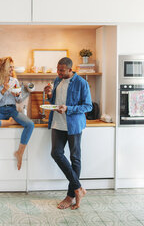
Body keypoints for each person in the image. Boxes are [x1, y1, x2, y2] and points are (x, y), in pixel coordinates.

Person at [44, 57, 92, 210]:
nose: (58, 72)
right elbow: (54, 103)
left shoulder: (81, 83)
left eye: (62, 70)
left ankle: (71, 195)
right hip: (58, 123)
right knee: (56, 153)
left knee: (75, 159)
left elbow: (88, 106)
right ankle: (79, 188)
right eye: (58, 69)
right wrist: (49, 95)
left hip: (73, 125)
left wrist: (68, 109)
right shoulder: (57, 81)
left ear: (70, 69)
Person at [0, 57, 34, 170]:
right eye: (10, 67)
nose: (12, 69)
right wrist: (3, 91)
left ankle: (20, 152)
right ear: (2, 68)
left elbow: (19, 100)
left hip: (12, 111)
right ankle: (9, 122)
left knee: (30, 124)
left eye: (13, 67)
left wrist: (17, 95)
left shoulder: (14, 80)